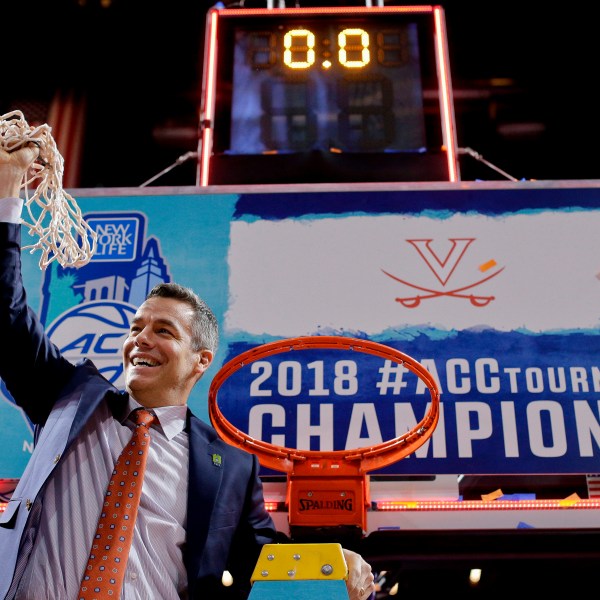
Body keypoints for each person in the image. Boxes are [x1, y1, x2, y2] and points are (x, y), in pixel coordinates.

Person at [0, 144, 376, 600]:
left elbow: (262, 558)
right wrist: (6, 193)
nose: (141, 338)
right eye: (136, 327)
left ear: (201, 360)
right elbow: (6, 315)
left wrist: (337, 561)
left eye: (163, 330)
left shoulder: (231, 468)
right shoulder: (68, 400)